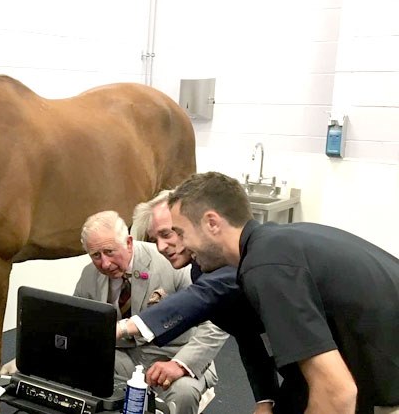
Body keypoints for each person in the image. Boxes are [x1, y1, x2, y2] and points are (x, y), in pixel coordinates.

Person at [166, 171, 399, 414]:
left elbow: (337, 393)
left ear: (212, 223)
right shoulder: (277, 244)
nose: (182, 245)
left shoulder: (266, 266)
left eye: (181, 233)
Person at [124, 190, 306, 414]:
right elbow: (249, 335)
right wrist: (265, 398)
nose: (161, 247)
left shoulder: (248, 257)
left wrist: (125, 327)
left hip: (332, 359)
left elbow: (203, 296)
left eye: (171, 233)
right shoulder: (200, 269)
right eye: (155, 239)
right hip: (298, 364)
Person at [74, 210, 227, 414]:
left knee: (183, 393)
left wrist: (180, 364)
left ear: (129, 242)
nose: (105, 263)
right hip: (122, 357)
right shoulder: (89, 275)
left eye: (110, 252)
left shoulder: (174, 263)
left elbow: (216, 324)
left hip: (174, 354)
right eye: (95, 256)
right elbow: (77, 323)